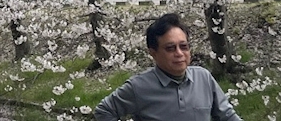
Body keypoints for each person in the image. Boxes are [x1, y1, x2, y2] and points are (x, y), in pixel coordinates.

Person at [94, 13, 243, 121]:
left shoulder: (203, 78)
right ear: (153, 53)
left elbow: (227, 116)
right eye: (170, 48)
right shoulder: (138, 86)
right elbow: (104, 110)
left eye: (183, 46)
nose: (179, 53)